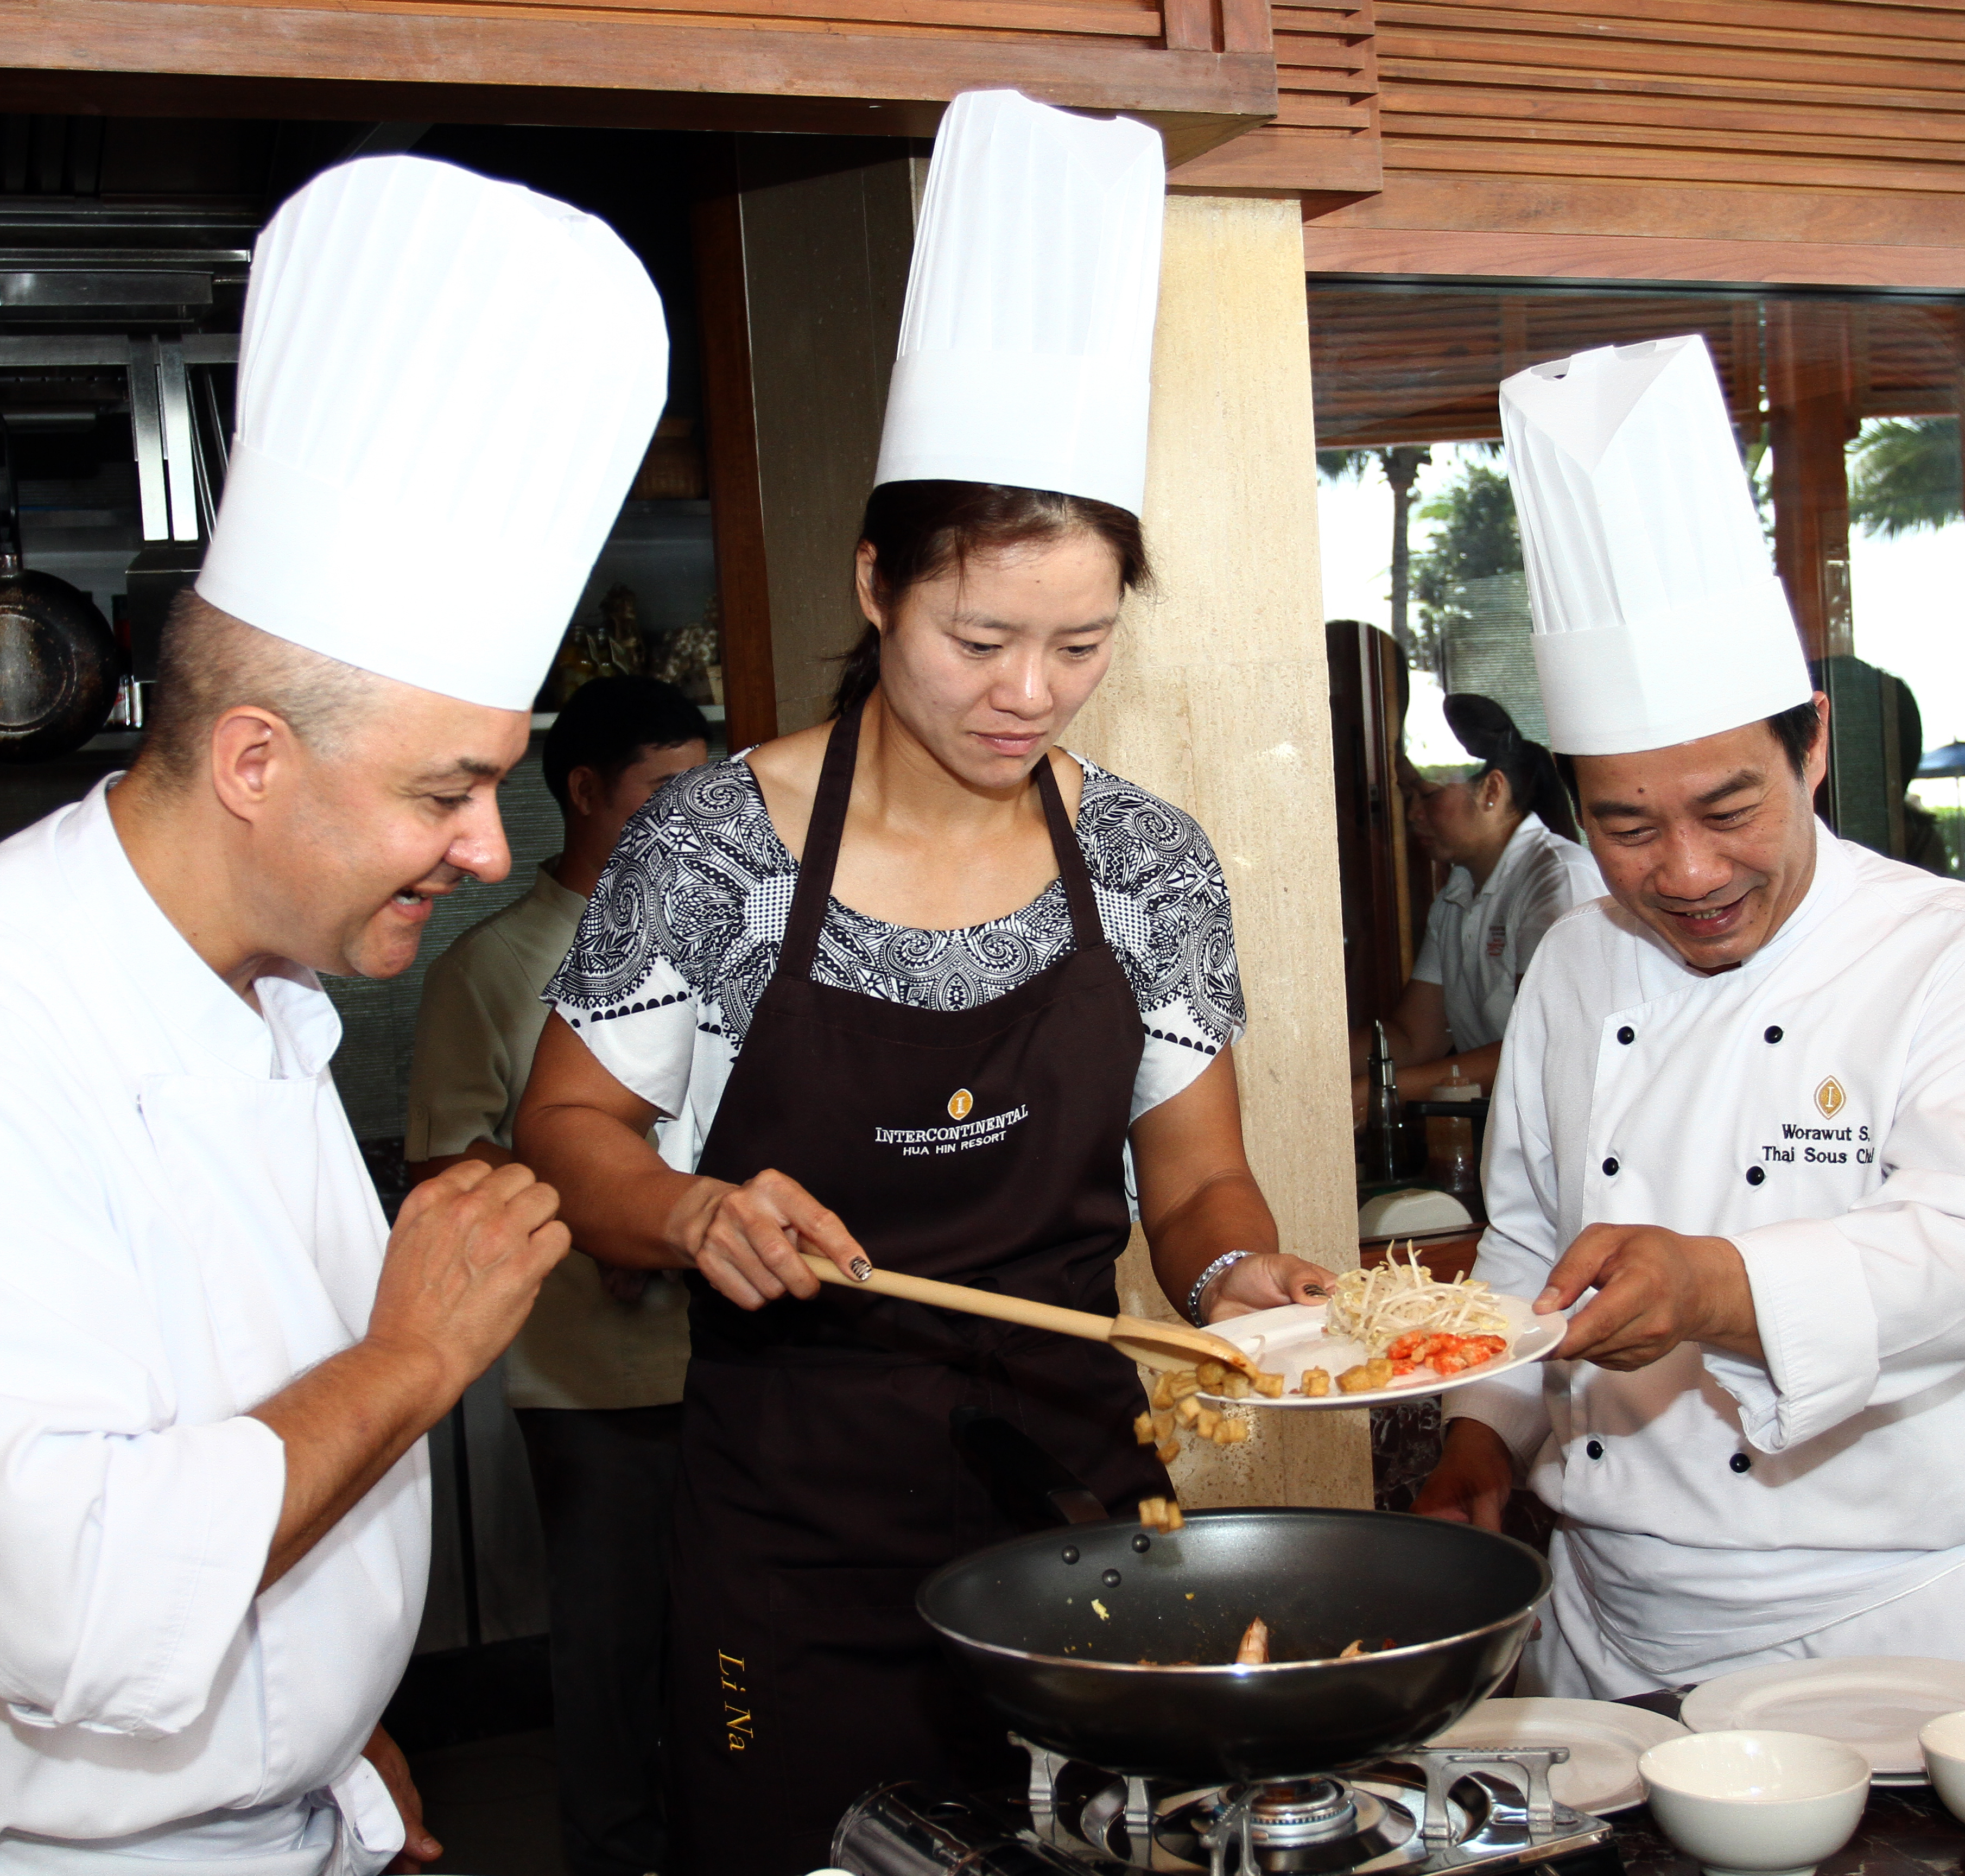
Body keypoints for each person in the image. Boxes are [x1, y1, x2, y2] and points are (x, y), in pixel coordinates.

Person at [0, 154, 669, 1874]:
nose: (483, 847)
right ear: (253, 761)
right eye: (445, 789)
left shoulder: (256, 1000)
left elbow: (211, 1456)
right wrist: (415, 1355)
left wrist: (319, 1716)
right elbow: (76, 1605)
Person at [511, 90, 1336, 1876]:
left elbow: (1197, 1179)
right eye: (980, 638)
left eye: (1081, 644)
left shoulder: (1150, 862)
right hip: (790, 1542)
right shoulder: (712, 848)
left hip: (1075, 1517)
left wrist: (1236, 1279)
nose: (1028, 692)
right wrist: (688, 1209)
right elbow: (565, 1131)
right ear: (875, 583)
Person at [1411, 334, 1965, 1697]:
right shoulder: (1573, 962)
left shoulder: (1955, 954)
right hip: (1602, 1628)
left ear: (1811, 743)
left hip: (1881, 1630)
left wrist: (1711, 1286)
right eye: (1626, 826)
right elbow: (1526, 1247)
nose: (1688, 873)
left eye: (1729, 810)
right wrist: (1480, 1438)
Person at [402, 673, 708, 1876]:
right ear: (584, 792)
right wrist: (597, 1221)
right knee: (611, 1652)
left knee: (730, 1645)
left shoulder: (724, 937)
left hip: (739, 1352)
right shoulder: (490, 968)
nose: (691, 821)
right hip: (593, 1376)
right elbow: (448, 1156)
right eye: (661, 794)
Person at [1361, 693, 1601, 1102]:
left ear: (1491, 789)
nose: (1413, 813)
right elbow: (1414, 1038)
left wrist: (1376, 1093)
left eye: (1428, 794)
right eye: (1407, 795)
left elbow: (1547, 1043)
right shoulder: (1454, 898)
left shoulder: (1558, 879)